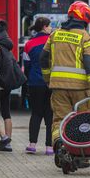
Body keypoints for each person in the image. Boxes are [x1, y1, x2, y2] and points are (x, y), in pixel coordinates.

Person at [40, 1, 90, 167]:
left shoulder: (55, 35)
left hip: (58, 87)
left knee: (60, 120)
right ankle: (81, 156)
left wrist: (48, 80)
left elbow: (43, 59)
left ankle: (60, 145)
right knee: (85, 120)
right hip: (80, 89)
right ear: (85, 19)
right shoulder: (86, 37)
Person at [0, 21, 24, 152]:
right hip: (6, 84)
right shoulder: (6, 45)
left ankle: (4, 138)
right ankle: (7, 144)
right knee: (6, 112)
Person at [23, 17, 54, 155]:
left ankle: (32, 144)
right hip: (51, 83)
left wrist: (30, 78)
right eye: (50, 26)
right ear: (45, 27)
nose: (51, 28)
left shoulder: (29, 44)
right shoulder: (53, 42)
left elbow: (27, 65)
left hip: (34, 82)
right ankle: (49, 147)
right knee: (50, 114)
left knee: (36, 113)